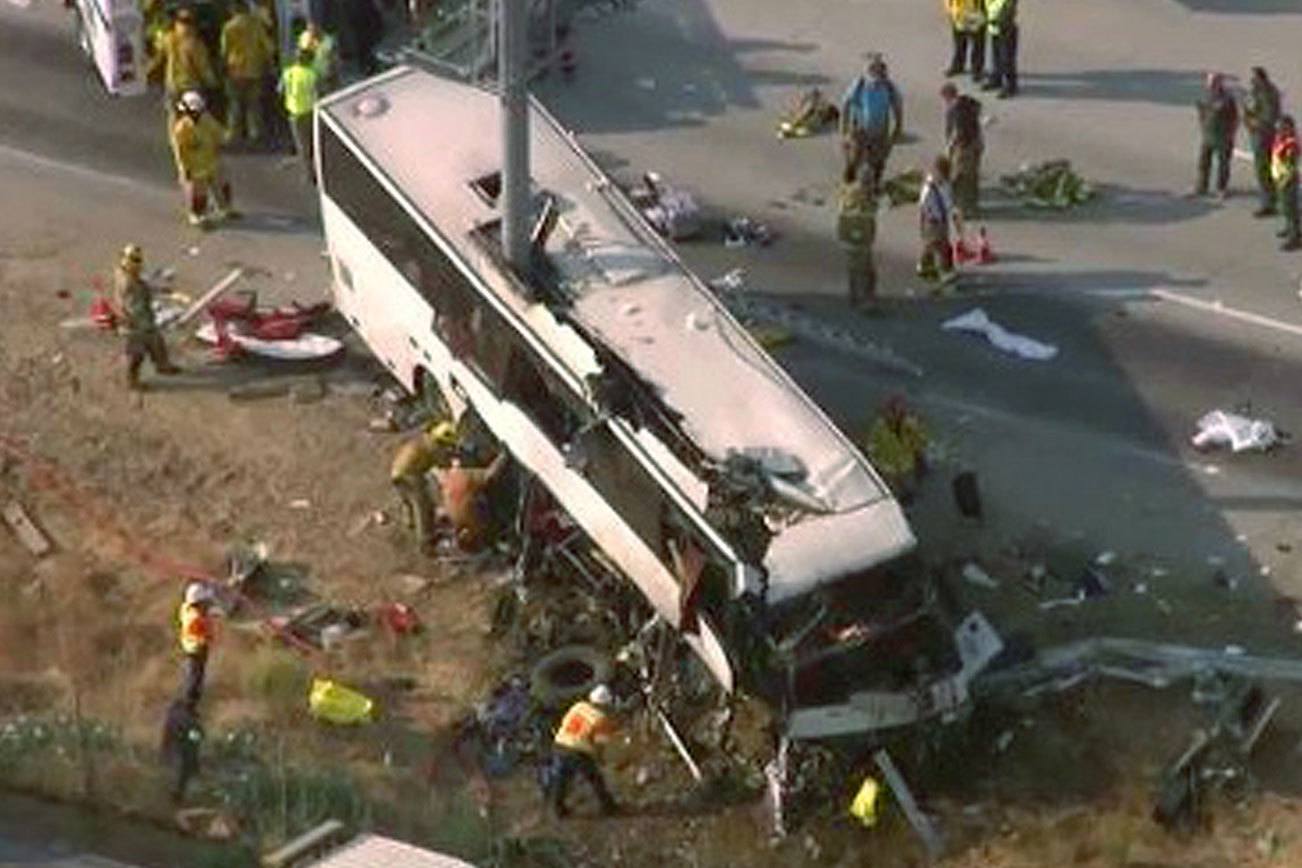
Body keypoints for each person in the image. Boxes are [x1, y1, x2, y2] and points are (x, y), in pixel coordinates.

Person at [113, 244, 181, 390]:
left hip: (145, 319)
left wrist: (161, 289)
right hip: (134, 322)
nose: (139, 264)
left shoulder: (127, 275)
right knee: (136, 355)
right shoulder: (128, 282)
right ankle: (132, 381)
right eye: (135, 260)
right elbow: (136, 299)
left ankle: (163, 365)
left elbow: (144, 285)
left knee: (157, 342)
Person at [548, 684, 619, 818]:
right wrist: (600, 759)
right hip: (578, 751)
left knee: (561, 780)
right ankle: (608, 807)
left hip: (560, 745)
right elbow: (599, 743)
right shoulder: (601, 718)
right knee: (595, 779)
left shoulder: (578, 706)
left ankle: (558, 809)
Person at [391, 420, 460, 553]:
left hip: (397, 470)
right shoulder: (435, 447)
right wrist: (454, 456)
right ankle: (426, 541)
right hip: (410, 475)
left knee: (408, 500)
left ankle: (410, 523)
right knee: (423, 507)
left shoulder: (425, 439)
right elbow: (443, 464)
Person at [172, 91, 236, 226]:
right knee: (199, 192)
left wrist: (226, 137)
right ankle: (197, 214)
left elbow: (217, 131)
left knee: (223, 182)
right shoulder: (182, 129)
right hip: (195, 165)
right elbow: (180, 152)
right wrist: (185, 169)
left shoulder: (206, 119)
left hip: (212, 159)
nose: (197, 114)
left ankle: (225, 208)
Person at [840, 55, 904, 188]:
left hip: (880, 131)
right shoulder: (859, 85)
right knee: (854, 158)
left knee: (878, 161)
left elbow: (898, 109)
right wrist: (844, 131)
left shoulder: (889, 88)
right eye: (874, 72)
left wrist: (895, 133)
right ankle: (848, 183)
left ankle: (874, 185)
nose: (877, 80)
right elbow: (845, 105)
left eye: (880, 74)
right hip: (860, 130)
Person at [148, 8, 219, 123]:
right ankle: (189, 139)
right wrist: (212, 82)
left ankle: (176, 139)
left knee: (173, 116)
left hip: (172, 85)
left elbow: (158, 56)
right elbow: (203, 67)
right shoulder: (195, 44)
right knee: (192, 119)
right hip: (191, 86)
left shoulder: (169, 38)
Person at [220, 0, 275, 145]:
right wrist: (270, 64)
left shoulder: (228, 27)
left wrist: (224, 65)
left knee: (235, 104)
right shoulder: (256, 25)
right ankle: (254, 133)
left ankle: (233, 133)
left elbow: (224, 50)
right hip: (254, 69)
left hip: (235, 70)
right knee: (254, 104)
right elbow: (267, 47)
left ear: (234, 9)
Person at [437, 450, 510, 551]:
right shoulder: (454, 517)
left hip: (466, 481)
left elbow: (489, 475)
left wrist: (504, 456)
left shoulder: (471, 522)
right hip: (457, 478)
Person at [865, 395, 930, 502]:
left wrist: (921, 463)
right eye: (892, 412)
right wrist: (875, 464)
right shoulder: (879, 427)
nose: (896, 416)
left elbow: (920, 444)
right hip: (887, 468)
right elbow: (872, 447)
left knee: (911, 493)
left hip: (906, 467)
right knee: (894, 494)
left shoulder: (910, 426)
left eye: (900, 413)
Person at [836, 162, 879, 311]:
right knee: (865, 272)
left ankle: (855, 298)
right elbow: (856, 218)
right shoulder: (859, 196)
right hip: (858, 239)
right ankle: (865, 301)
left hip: (854, 238)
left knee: (856, 271)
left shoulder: (853, 193)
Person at [917, 155, 962, 288]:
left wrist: (953, 212)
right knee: (940, 246)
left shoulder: (945, 184)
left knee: (933, 245)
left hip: (943, 219)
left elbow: (948, 199)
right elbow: (923, 206)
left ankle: (925, 265)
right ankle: (945, 271)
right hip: (932, 221)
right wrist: (929, 220)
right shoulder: (929, 188)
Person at [1193, 72, 1238, 200]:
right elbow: (1201, 113)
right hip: (1208, 136)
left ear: (1220, 83)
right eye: (1209, 82)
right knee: (1203, 162)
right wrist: (1203, 127)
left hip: (1223, 136)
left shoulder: (1227, 99)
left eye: (1214, 82)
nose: (1211, 84)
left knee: (1223, 164)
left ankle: (1221, 188)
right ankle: (1201, 186)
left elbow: (1234, 118)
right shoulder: (1206, 96)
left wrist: (1231, 134)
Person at [941, 82, 984, 216]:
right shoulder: (968, 103)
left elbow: (956, 132)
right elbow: (978, 114)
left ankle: (963, 208)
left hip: (963, 147)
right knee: (972, 177)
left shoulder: (956, 109)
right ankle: (973, 205)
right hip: (975, 144)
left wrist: (948, 148)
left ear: (948, 96)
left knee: (960, 178)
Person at [1244, 67, 1282, 217]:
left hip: (1264, 136)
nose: (1252, 82)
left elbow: (1269, 117)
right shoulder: (1257, 92)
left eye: (1254, 79)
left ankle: (1269, 204)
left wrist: (1252, 122)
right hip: (1258, 134)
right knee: (1265, 170)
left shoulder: (1268, 94)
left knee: (1263, 170)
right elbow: (1248, 107)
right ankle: (1272, 199)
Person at [280, 47, 320, 184]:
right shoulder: (311, 74)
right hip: (310, 111)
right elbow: (317, 92)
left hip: (295, 113)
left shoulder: (288, 73)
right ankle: (318, 170)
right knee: (313, 144)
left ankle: (309, 176)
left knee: (302, 146)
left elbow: (280, 89)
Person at [177, 581, 216, 706]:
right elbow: (200, 636)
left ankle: (191, 702)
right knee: (194, 680)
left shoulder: (187, 609)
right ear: (199, 603)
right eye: (205, 602)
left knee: (194, 677)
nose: (208, 604)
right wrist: (208, 638)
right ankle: (189, 705)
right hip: (196, 651)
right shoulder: (195, 619)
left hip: (192, 649)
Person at [160, 698, 203, 803]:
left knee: (180, 772)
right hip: (182, 748)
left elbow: (169, 735)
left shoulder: (175, 716)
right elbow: (196, 735)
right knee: (182, 772)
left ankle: (177, 794)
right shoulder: (186, 718)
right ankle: (178, 794)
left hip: (179, 747)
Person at [1272, 116, 1299, 251]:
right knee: (1285, 206)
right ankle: (1289, 228)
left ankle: (1295, 237)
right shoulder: (1282, 139)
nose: (1279, 130)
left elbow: (1289, 162)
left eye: (1282, 128)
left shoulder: (1291, 144)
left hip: (1288, 179)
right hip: (1281, 177)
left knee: (1290, 208)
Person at [944, 0, 986, 82]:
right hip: (959, 12)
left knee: (977, 43)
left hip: (976, 11)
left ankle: (977, 70)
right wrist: (949, 9)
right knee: (959, 42)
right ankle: (958, 65)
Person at [982, 0, 1017, 99]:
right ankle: (996, 79)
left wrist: (1001, 19)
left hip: (1005, 28)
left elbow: (1009, 9)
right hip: (994, 28)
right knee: (996, 55)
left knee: (1007, 59)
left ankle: (1011, 86)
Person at [299, 21, 340, 94]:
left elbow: (334, 59)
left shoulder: (328, 41)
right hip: (312, 78)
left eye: (313, 31)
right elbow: (302, 56)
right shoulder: (305, 38)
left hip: (326, 78)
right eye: (309, 31)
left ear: (319, 29)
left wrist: (334, 75)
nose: (311, 34)